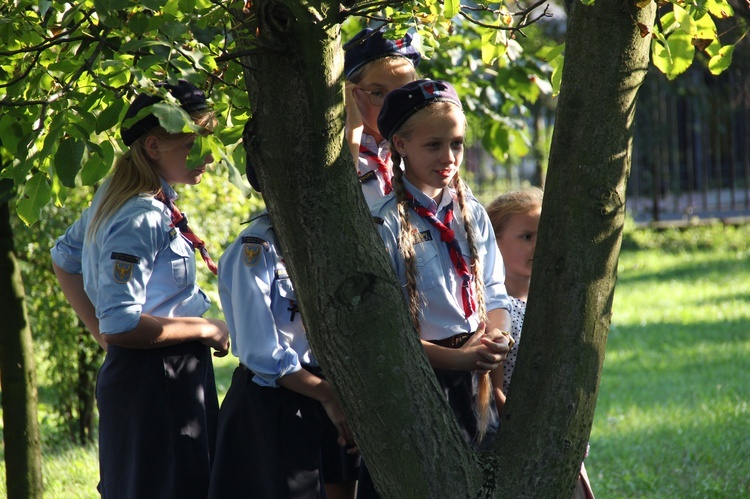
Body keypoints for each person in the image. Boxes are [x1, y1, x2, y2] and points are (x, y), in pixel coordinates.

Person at [50, 79, 230, 499]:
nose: (208, 156)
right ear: (153, 146)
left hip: (159, 372)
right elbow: (122, 323)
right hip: (156, 379)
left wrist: (105, 331)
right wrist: (207, 329)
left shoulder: (127, 198)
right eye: (192, 145)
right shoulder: (142, 215)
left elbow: (64, 258)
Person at [357, 79, 514, 498]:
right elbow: (386, 329)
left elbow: (495, 291)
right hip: (418, 377)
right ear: (401, 145)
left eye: (457, 144)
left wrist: (497, 337)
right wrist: (455, 360)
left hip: (474, 376)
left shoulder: (472, 213)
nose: (449, 158)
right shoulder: (382, 223)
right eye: (434, 145)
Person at [208, 173, 354, 498]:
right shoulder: (256, 248)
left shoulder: (331, 239)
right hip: (276, 402)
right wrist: (328, 395)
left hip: (327, 392)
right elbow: (261, 351)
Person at [486, 188, 595, 499]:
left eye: (544, 234)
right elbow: (494, 390)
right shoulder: (494, 309)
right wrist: (536, 435)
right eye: (526, 237)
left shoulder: (553, 301)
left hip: (558, 440)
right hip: (520, 445)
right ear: (494, 241)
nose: (539, 245)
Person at [344, 26, 421, 207]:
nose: (393, 105)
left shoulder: (418, 152)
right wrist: (353, 133)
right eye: (378, 93)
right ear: (351, 93)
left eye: (403, 92)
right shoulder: (333, 151)